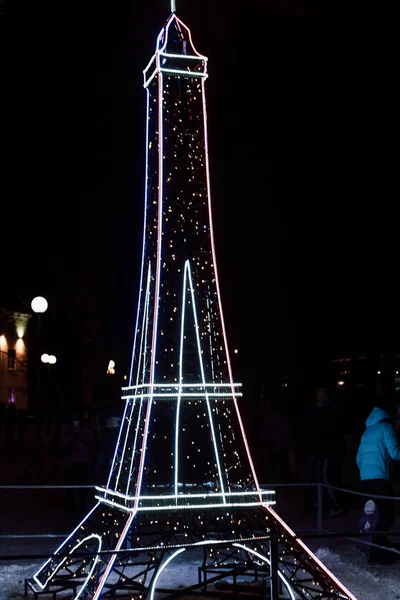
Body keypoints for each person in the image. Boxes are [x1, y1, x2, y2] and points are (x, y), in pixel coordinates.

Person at [356, 401, 400, 564]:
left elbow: (358, 459)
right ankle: (377, 551)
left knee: (374, 514)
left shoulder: (367, 431)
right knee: (387, 515)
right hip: (380, 478)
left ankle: (376, 545)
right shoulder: (386, 427)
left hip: (366, 479)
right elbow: (395, 453)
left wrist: (366, 472)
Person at [301, 387, 346, 517]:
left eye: (322, 395)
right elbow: (307, 429)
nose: (320, 397)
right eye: (318, 395)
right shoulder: (311, 411)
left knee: (324, 477)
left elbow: (332, 430)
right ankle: (310, 503)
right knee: (310, 477)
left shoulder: (329, 411)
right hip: (313, 449)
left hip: (324, 450)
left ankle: (330, 504)